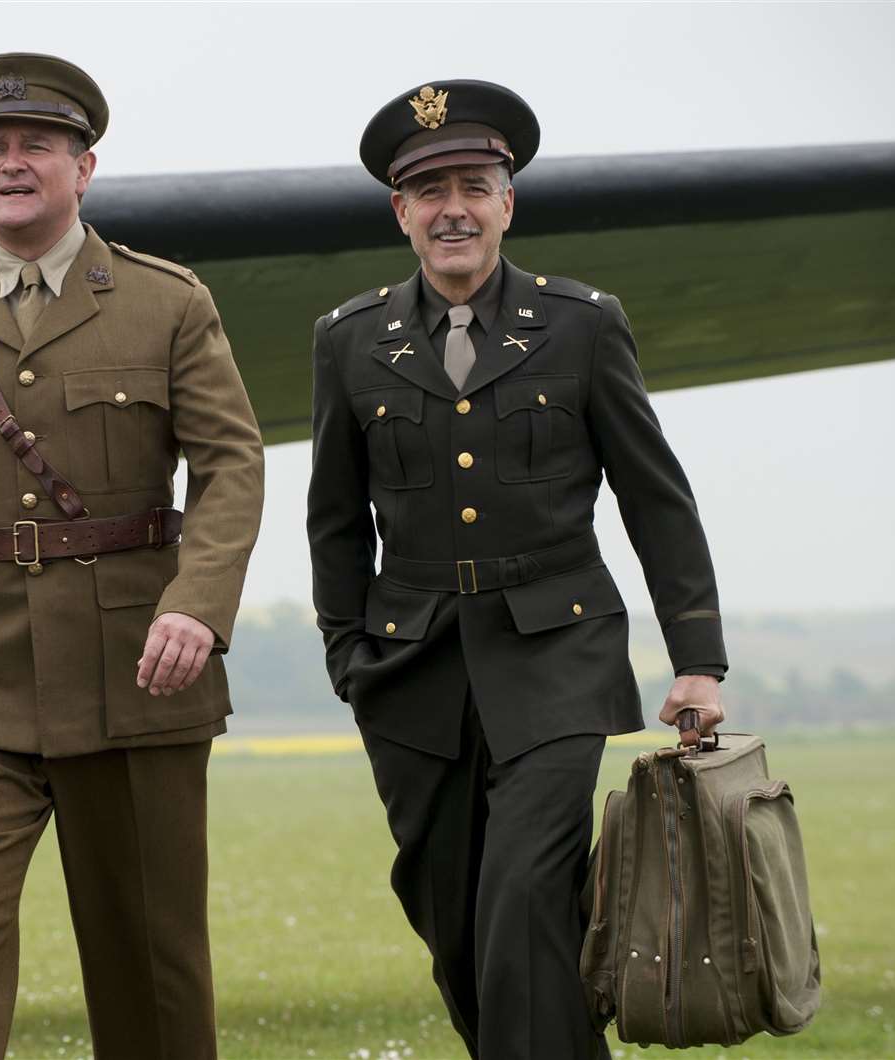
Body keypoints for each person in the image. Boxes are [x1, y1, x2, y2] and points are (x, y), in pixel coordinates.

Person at [0, 53, 265, 1060]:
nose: (12, 162)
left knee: (147, 957)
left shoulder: (167, 302)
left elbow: (231, 463)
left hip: (134, 669)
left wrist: (197, 606)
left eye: (38, 143)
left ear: (86, 166)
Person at [306, 81, 731, 1059]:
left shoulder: (581, 324)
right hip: (410, 671)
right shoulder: (351, 340)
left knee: (525, 897)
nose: (452, 206)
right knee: (452, 922)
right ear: (400, 211)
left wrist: (697, 657)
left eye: (474, 183)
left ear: (508, 201)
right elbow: (335, 518)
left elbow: (655, 498)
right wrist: (346, 656)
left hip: (556, 655)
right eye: (429, 189)